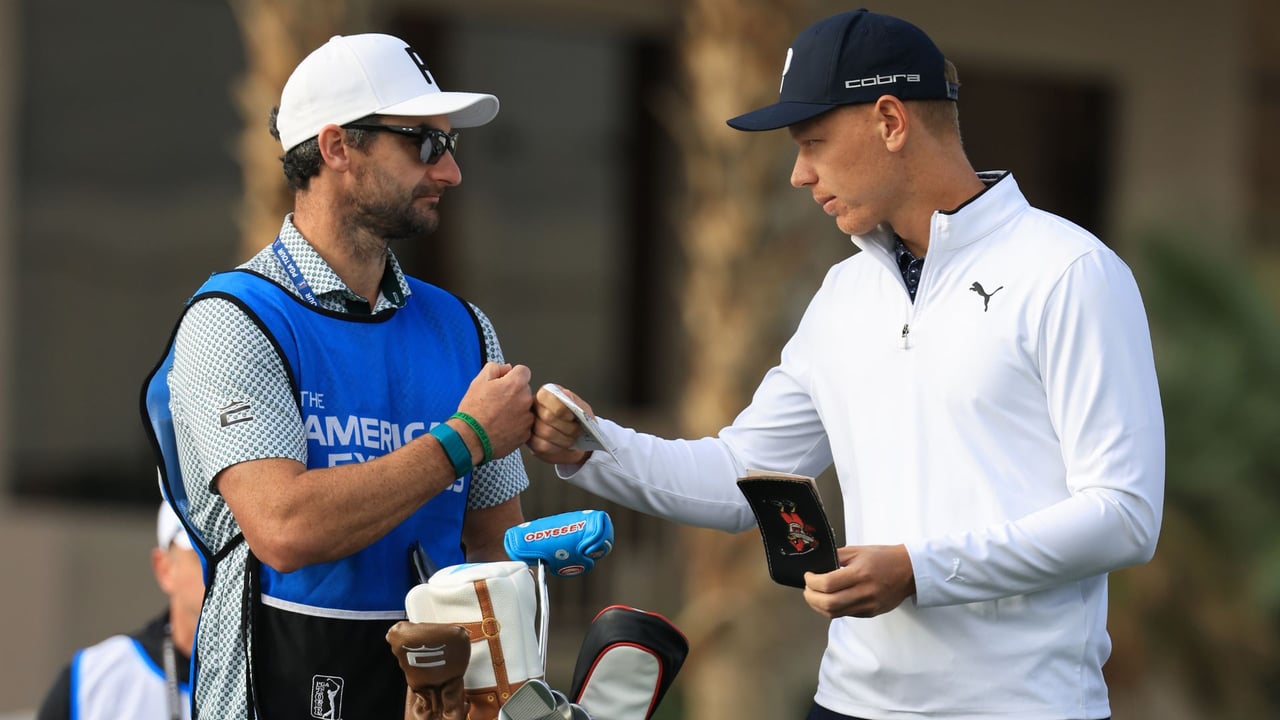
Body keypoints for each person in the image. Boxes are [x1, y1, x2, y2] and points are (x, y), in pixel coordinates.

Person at [529, 9, 1164, 720]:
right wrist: (594, 450)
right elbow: (743, 477)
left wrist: (918, 571)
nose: (800, 174)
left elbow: (1123, 516)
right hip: (848, 703)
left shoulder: (1070, 271)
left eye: (814, 142)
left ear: (890, 121)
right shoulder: (844, 294)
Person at [140, 33, 535, 719]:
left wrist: (505, 691)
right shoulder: (233, 317)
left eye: (450, 146)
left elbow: (493, 545)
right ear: (336, 148)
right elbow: (284, 527)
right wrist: (465, 437)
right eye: (424, 143)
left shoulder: (464, 327)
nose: (449, 173)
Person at [36, 502, 204, 720]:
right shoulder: (91, 680)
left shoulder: (262, 677)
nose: (222, 570)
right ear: (164, 569)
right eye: (202, 556)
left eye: (234, 555)